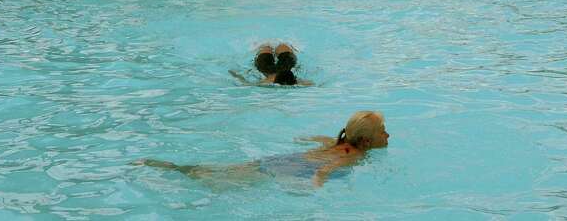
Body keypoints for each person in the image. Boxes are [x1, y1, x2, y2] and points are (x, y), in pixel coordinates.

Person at [140, 111, 388, 187]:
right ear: (366, 142)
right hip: (296, 168)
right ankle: (172, 173)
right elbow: (328, 167)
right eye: (383, 131)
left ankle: (173, 168)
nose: (387, 134)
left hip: (284, 159)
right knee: (226, 184)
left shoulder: (336, 143)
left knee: (227, 171)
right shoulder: (355, 155)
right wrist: (316, 185)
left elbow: (314, 139)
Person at [231, 43, 312, 86]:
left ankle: (266, 47)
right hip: (284, 65)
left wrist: (235, 74)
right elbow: (246, 84)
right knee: (281, 46)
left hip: (266, 67)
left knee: (268, 47)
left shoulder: (266, 82)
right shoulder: (297, 82)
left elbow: (246, 83)